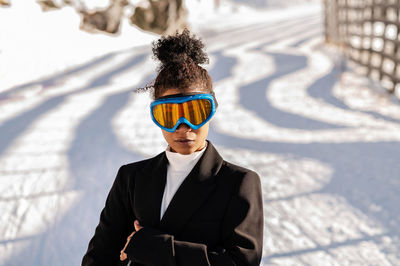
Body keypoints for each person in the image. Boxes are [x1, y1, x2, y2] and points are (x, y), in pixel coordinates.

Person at [82, 29, 263, 266]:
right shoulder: (132, 178)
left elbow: (241, 262)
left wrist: (153, 246)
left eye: (195, 112)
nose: (183, 126)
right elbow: (100, 257)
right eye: (169, 115)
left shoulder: (239, 183)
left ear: (212, 111)